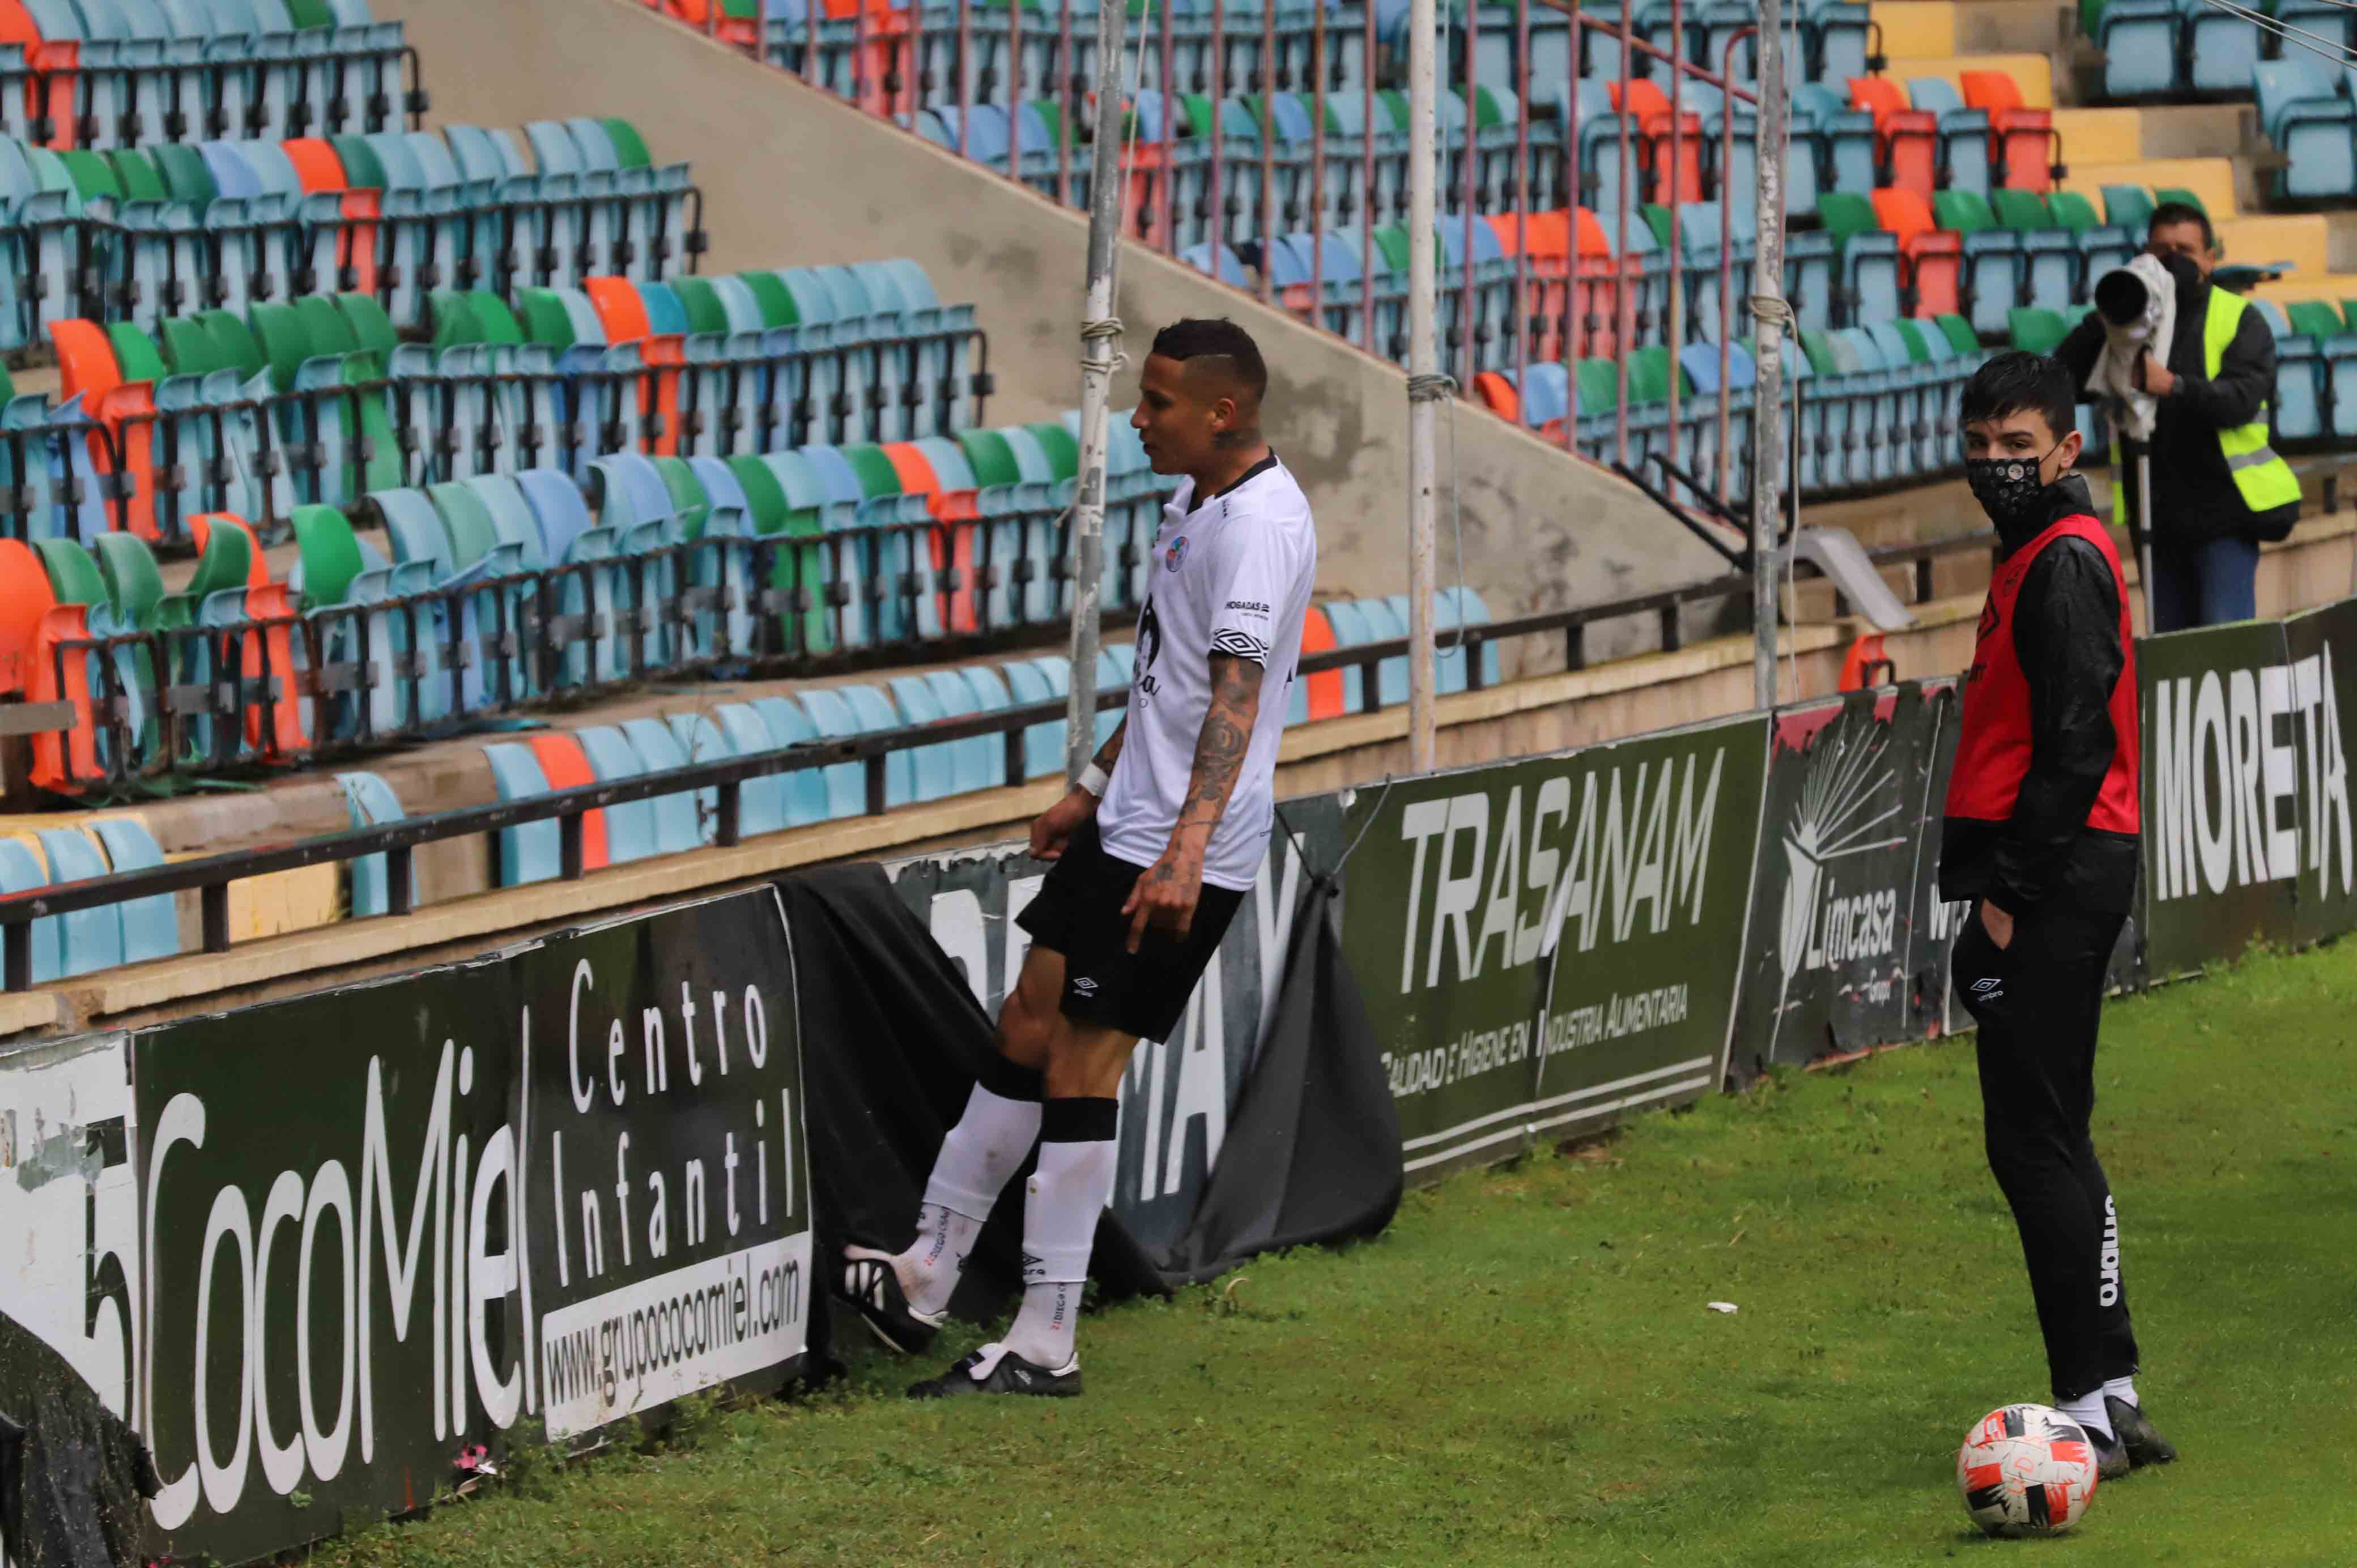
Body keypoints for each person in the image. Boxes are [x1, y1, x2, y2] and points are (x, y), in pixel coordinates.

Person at [836, 318, 1318, 1398]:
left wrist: (1184, 848)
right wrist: (1093, 789)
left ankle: (1048, 1333)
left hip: (1177, 850)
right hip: (1128, 825)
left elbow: (1237, 699)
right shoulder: (1194, 501)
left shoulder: (1260, 530)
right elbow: (1170, 678)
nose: (1138, 420)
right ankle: (927, 1272)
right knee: (1027, 1025)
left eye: (1156, 403)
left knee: (1080, 1066)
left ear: (1222, 410)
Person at [1945, 351, 2177, 1480]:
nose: (1995, 466)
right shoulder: (2042, 549)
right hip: (2069, 865)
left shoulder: (2065, 562)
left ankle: (2085, 1403)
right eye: (1980, 446)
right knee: (2052, 1127)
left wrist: (2003, 898)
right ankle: (2108, 1384)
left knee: (2032, 1135)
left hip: (2057, 869)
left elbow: (2074, 744)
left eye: (2018, 448)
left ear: (2069, 451)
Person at [2055, 201, 2300, 631]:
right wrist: (2107, 318)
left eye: (2185, 250)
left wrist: (2173, 386)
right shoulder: (2128, 318)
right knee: (2170, 654)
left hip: (2224, 515)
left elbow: (2242, 399)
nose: (2172, 260)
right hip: (2156, 517)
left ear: (2210, 259)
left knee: (2224, 646)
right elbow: (2063, 382)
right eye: (2161, 249)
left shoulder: (2239, 318)